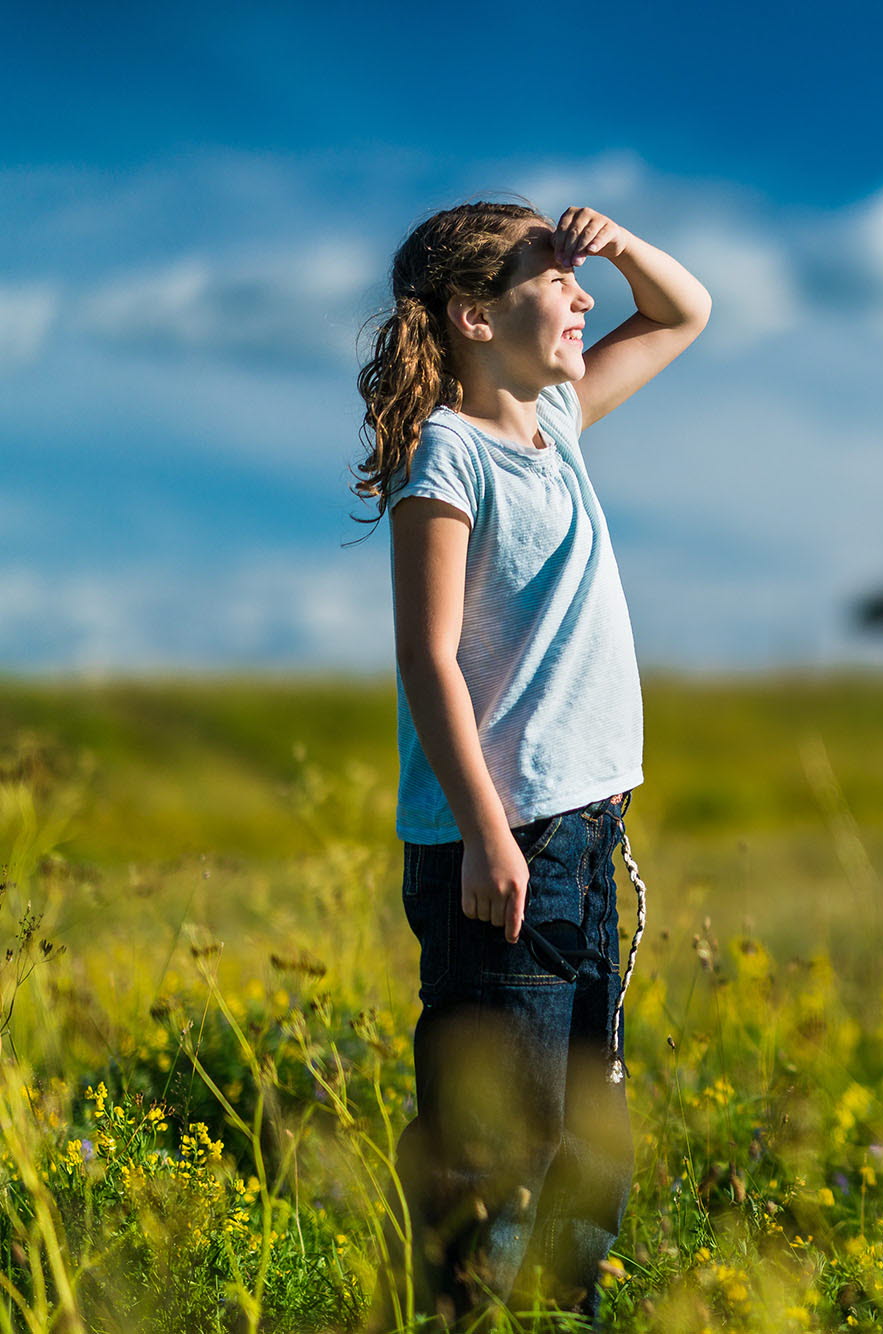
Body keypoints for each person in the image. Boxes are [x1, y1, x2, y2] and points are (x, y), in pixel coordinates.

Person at [352, 197, 711, 1327]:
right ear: (471, 315)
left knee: (587, 1137)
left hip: (580, 833)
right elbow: (428, 657)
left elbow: (682, 311)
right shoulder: (445, 456)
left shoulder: (557, 420)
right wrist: (488, 833)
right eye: (554, 278)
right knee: (495, 1149)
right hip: (504, 845)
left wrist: (614, 242)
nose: (583, 295)